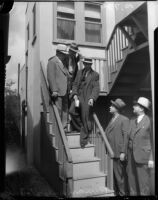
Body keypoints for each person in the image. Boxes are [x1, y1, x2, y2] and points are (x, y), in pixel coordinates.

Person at [69, 57, 100, 148]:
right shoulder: (79, 73)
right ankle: (80, 127)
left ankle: (83, 139)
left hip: (87, 97)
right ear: (83, 64)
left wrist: (92, 98)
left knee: (85, 116)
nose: (87, 65)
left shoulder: (95, 75)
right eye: (85, 63)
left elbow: (96, 88)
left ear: (91, 65)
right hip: (78, 96)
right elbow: (74, 84)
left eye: (88, 64)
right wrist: (74, 94)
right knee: (72, 111)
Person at [127, 97, 154, 195]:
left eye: (136, 105)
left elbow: (153, 140)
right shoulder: (132, 120)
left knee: (143, 186)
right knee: (132, 184)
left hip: (143, 157)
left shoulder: (150, 121)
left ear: (142, 108)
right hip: (131, 158)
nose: (133, 107)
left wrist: (151, 158)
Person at [105, 98, 129, 196]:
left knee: (120, 177)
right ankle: (117, 193)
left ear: (116, 108)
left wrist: (123, 152)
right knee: (114, 177)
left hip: (118, 153)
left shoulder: (124, 119)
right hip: (111, 152)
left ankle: (123, 194)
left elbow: (126, 137)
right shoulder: (112, 119)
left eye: (112, 106)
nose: (110, 107)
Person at [47, 44, 70, 130]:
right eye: (64, 54)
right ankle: (58, 128)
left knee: (65, 109)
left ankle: (63, 127)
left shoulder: (63, 62)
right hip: (58, 91)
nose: (65, 55)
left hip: (65, 91)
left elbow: (66, 75)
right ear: (59, 53)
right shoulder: (52, 61)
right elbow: (50, 76)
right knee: (58, 110)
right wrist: (54, 90)